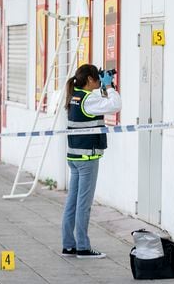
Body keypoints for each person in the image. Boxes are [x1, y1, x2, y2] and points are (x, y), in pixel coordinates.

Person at [61, 64, 121, 259]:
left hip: (74, 156)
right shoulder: (89, 99)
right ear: (89, 80)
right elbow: (115, 105)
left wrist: (103, 86)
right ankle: (83, 248)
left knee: (72, 203)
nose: (99, 81)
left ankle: (69, 245)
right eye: (97, 78)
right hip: (87, 158)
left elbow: (99, 103)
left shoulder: (76, 96)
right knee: (83, 204)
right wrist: (110, 86)